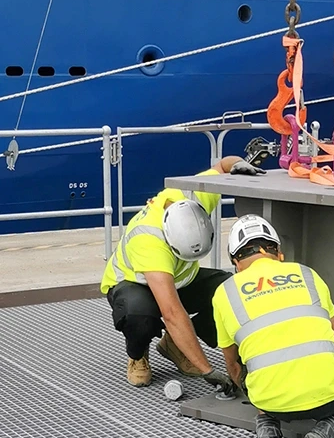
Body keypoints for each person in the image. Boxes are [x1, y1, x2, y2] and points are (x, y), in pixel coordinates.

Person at [212, 215, 334, 438]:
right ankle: (330, 424)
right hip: (331, 398)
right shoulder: (307, 274)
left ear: (235, 261)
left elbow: (231, 365)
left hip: (269, 401)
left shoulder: (224, 293)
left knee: (246, 371)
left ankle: (267, 425)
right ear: (278, 252)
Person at [101, 155, 263, 388]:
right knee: (139, 316)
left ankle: (175, 345)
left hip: (181, 280)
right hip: (135, 285)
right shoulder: (149, 241)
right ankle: (138, 355)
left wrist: (238, 163)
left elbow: (222, 166)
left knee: (232, 292)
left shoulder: (194, 198)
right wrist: (207, 370)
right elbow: (171, 312)